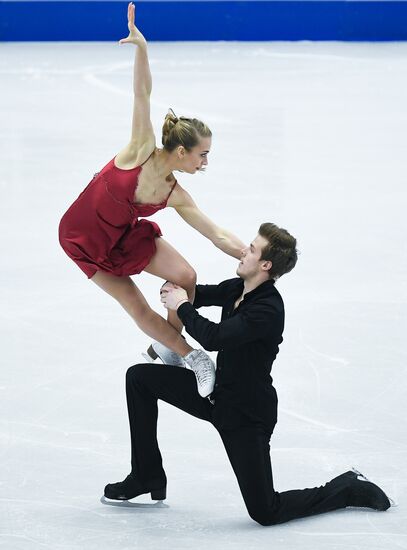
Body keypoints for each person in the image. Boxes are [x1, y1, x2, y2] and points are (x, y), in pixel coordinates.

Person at [103, 222, 391, 525]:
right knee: (139, 378)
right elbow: (195, 293)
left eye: (251, 250)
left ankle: (346, 489)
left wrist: (182, 307)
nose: (243, 252)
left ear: (265, 265)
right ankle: (146, 474)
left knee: (266, 511)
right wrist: (174, 286)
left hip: (246, 414)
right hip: (215, 394)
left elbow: (214, 337)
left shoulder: (267, 309)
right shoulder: (238, 288)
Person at [58, 2, 245, 396]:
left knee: (186, 277)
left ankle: (168, 346)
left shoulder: (175, 193)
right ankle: (193, 355)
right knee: (137, 307)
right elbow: (142, 94)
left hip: (125, 237)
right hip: (83, 239)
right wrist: (142, 48)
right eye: (202, 154)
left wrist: (253, 260)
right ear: (181, 152)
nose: (206, 162)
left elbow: (216, 234)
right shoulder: (139, 150)